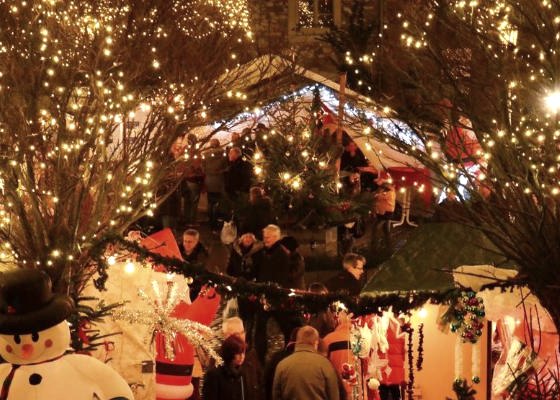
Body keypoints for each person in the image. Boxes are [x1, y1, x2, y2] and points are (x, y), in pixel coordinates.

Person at [272, 326, 340, 400]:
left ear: (297, 341)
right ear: (316, 343)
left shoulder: (282, 365)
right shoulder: (325, 364)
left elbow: (276, 396)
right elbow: (333, 396)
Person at [226, 233, 263, 343]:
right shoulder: (236, 251)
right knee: (242, 313)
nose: (247, 239)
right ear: (241, 239)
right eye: (245, 237)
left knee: (251, 313)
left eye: (250, 237)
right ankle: (241, 336)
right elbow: (230, 268)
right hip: (239, 286)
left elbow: (260, 269)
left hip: (252, 286)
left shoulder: (258, 252)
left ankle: (248, 339)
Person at [222, 317, 265, 400]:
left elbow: (260, 383)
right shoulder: (218, 360)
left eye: (242, 332)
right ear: (226, 336)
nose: (241, 337)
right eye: (236, 334)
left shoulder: (251, 354)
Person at [202, 335, 247, 400]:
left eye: (243, 353)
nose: (242, 357)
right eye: (238, 353)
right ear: (229, 353)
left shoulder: (241, 374)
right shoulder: (214, 375)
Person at [202, 138, 228, 232]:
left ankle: (210, 220)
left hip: (209, 180)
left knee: (210, 202)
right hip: (219, 181)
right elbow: (226, 167)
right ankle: (214, 222)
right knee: (217, 203)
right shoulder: (223, 154)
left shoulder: (206, 154)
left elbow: (203, 167)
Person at [179, 229, 209, 301]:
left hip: (193, 287)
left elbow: (198, 273)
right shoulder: (178, 249)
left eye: (190, 242)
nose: (186, 244)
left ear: (196, 242)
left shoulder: (202, 255)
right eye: (185, 241)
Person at [184, 133, 205, 226]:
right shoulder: (195, 152)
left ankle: (186, 220)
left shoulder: (185, 151)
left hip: (186, 179)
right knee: (193, 201)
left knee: (187, 201)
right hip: (193, 179)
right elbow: (197, 166)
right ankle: (191, 221)